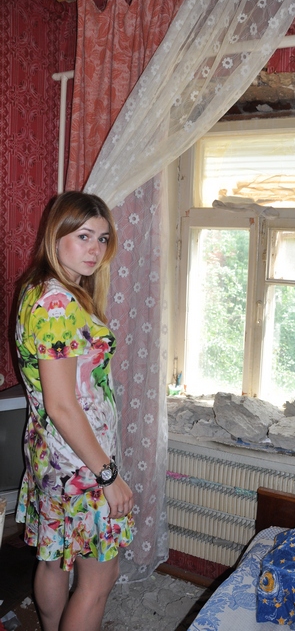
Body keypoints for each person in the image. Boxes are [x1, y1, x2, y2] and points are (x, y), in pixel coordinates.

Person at [15, 191, 134, 631]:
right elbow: (63, 405)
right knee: (98, 579)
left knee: (53, 559)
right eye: (83, 236)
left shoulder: (39, 290)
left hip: (51, 456)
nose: (95, 249)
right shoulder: (57, 304)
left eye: (102, 238)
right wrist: (108, 475)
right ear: (56, 235)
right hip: (80, 465)